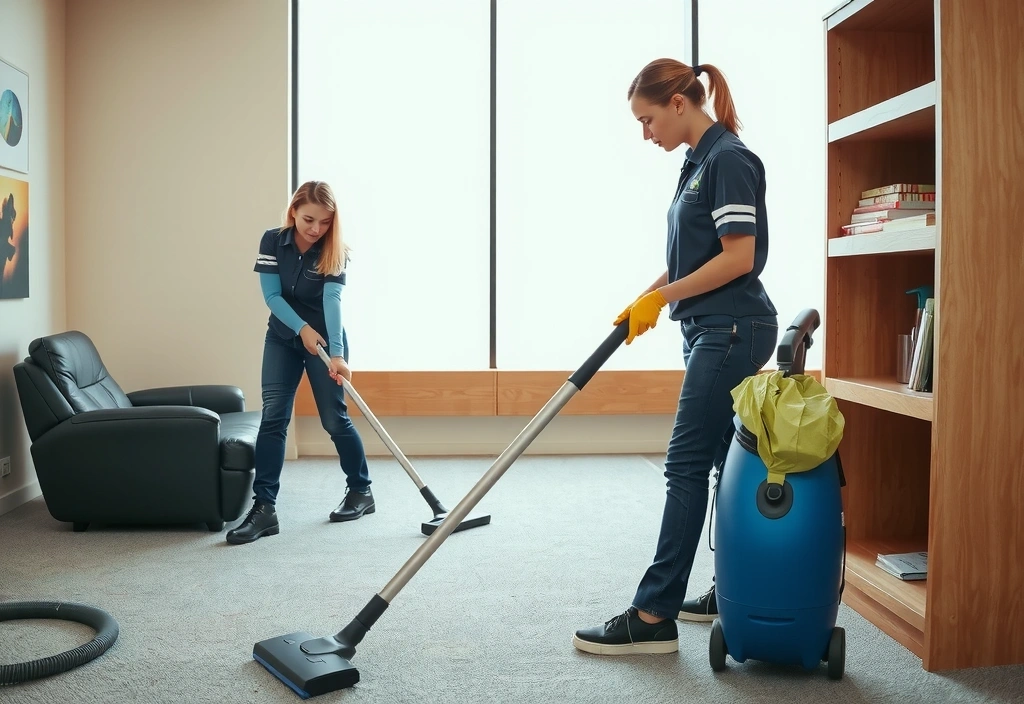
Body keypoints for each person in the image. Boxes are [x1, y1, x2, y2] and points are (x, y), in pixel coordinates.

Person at [571, 59, 779, 654]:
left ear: (680, 104)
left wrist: (663, 297)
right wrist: (651, 294)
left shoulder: (729, 159)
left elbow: (739, 257)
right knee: (722, 463)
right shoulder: (698, 162)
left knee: (684, 462)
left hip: (731, 328)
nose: (646, 133)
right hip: (710, 328)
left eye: (648, 119)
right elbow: (698, 256)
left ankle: (653, 616)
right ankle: (733, 586)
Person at [226, 181, 375, 545]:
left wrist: (336, 354)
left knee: (332, 418)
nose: (315, 229)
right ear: (293, 210)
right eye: (309, 219)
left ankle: (361, 491)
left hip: (325, 341)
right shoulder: (272, 240)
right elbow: (272, 297)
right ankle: (264, 510)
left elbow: (333, 301)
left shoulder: (334, 249)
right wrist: (301, 328)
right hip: (283, 337)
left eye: (324, 222)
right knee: (274, 416)